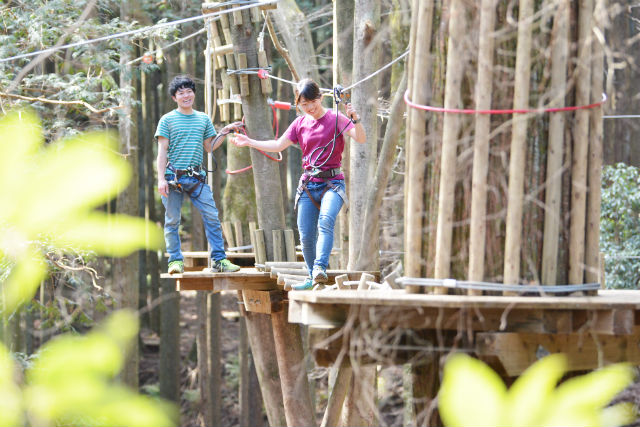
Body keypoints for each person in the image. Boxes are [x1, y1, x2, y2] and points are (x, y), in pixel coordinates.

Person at [232, 78, 366, 289]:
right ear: (298, 105)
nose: (309, 107)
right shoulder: (299, 124)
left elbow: (360, 138)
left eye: (312, 102)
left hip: (333, 182)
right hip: (309, 184)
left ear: (320, 98)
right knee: (305, 234)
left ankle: (320, 268)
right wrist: (250, 142)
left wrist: (355, 119)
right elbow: (277, 146)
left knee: (326, 221)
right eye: (304, 104)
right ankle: (312, 276)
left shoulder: (336, 118)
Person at [156, 75, 240, 274]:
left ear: (194, 93)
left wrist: (225, 132)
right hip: (173, 178)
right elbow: (162, 151)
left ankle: (219, 259)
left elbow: (210, 147)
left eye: (189, 91)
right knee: (172, 220)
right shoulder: (167, 120)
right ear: (174, 98)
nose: (186, 96)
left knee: (212, 216)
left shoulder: (203, 119)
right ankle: (175, 261)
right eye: (181, 93)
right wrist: (160, 179)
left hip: (196, 178)